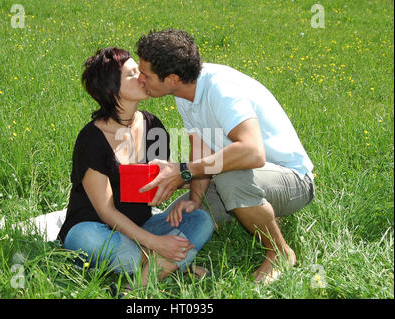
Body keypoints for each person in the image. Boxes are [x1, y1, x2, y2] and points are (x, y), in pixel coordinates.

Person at [136, 29, 315, 283]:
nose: (140, 79)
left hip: (294, 179)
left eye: (146, 75)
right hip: (243, 175)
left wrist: (183, 171)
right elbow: (201, 148)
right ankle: (257, 209)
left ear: (172, 78)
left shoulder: (221, 89)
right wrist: (196, 199)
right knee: (181, 213)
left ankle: (279, 253)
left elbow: (253, 152)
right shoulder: (184, 93)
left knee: (231, 181)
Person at [57, 47, 214, 293]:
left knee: (201, 219)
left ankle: (139, 282)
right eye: (132, 74)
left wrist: (191, 175)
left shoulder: (153, 126)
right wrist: (157, 244)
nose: (143, 76)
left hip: (142, 226)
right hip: (97, 230)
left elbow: (165, 179)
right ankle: (172, 264)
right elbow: (106, 211)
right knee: (86, 239)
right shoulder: (92, 139)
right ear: (111, 89)